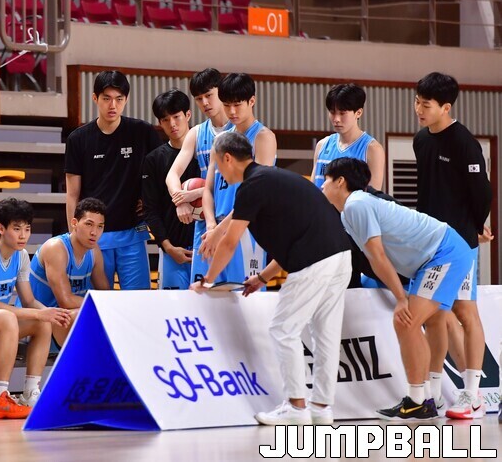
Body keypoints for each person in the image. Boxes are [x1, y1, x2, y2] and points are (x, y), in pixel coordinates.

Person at [196, 132, 351, 426]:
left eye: (217, 163)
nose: (218, 172)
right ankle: (321, 408)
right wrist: (262, 277)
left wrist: (207, 280)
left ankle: (296, 406)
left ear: (227, 159)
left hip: (315, 260)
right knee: (325, 334)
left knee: (283, 329)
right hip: (340, 256)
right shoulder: (273, 178)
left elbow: (229, 242)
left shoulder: (252, 186)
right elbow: (298, 234)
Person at [322, 157, 475, 420]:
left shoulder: (357, 204)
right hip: (430, 259)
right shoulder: (349, 212)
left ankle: (421, 400)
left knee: (406, 321)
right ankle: (426, 398)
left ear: (340, 181)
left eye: (326, 179)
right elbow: (375, 259)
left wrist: (401, 298)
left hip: (444, 252)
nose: (322, 185)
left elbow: (378, 256)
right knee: (425, 321)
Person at [413, 71, 493, 419]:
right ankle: (433, 395)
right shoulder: (420, 140)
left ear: (446, 107)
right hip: (430, 242)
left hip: (460, 242)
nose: (419, 109)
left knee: (464, 311)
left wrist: (474, 228)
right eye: (417, 102)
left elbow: (482, 193)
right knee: (437, 315)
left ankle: (473, 395)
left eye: (426, 105)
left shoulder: (464, 143)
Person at [0, 198, 72, 415]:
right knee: (9, 317)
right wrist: (39, 313)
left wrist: (51, 313)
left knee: (42, 324)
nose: (23, 235)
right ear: (1, 228)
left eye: (27, 229)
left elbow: (29, 301)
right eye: (17, 229)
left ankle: (30, 392)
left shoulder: (22, 256)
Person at [65, 70, 162, 290]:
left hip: (133, 234)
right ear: (95, 98)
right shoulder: (78, 139)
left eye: (119, 99)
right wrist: (74, 236)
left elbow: (163, 170)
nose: (113, 105)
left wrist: (150, 199)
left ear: (126, 99)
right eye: (106, 98)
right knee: (97, 302)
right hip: (94, 237)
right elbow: (72, 193)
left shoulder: (142, 131)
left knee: (138, 302)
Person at [202, 73, 277, 284]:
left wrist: (220, 230)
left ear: (251, 101)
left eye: (237, 105)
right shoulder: (221, 140)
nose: (232, 111)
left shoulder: (263, 137)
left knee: (244, 294)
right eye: (227, 105)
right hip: (217, 229)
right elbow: (208, 188)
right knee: (209, 295)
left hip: (246, 229)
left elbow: (256, 196)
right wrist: (211, 226)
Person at [166, 68, 229, 286]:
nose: (205, 103)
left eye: (209, 95)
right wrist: (180, 200)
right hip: (206, 220)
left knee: (237, 291)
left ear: (221, 92)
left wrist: (194, 194)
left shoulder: (240, 130)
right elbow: (172, 174)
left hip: (234, 218)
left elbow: (244, 185)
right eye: (199, 99)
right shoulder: (196, 133)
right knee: (203, 290)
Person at [30, 198, 109, 345]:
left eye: (100, 227)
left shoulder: (94, 252)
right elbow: (65, 301)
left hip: (66, 320)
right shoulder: (56, 248)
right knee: (84, 316)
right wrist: (104, 304)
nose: (94, 232)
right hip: (39, 320)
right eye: (89, 224)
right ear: (74, 223)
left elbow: (105, 295)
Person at [142, 90, 200, 289]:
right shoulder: (154, 160)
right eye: (165, 120)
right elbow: (150, 210)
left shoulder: (206, 152)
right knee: (174, 305)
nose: (172, 124)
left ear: (188, 115)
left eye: (176, 117)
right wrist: (167, 247)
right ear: (159, 122)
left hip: (207, 248)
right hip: (173, 251)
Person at [311, 83, 385, 191]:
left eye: (342, 113)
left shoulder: (372, 149)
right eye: (332, 112)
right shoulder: (322, 146)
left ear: (358, 113)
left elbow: (372, 197)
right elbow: (312, 190)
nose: (336, 119)